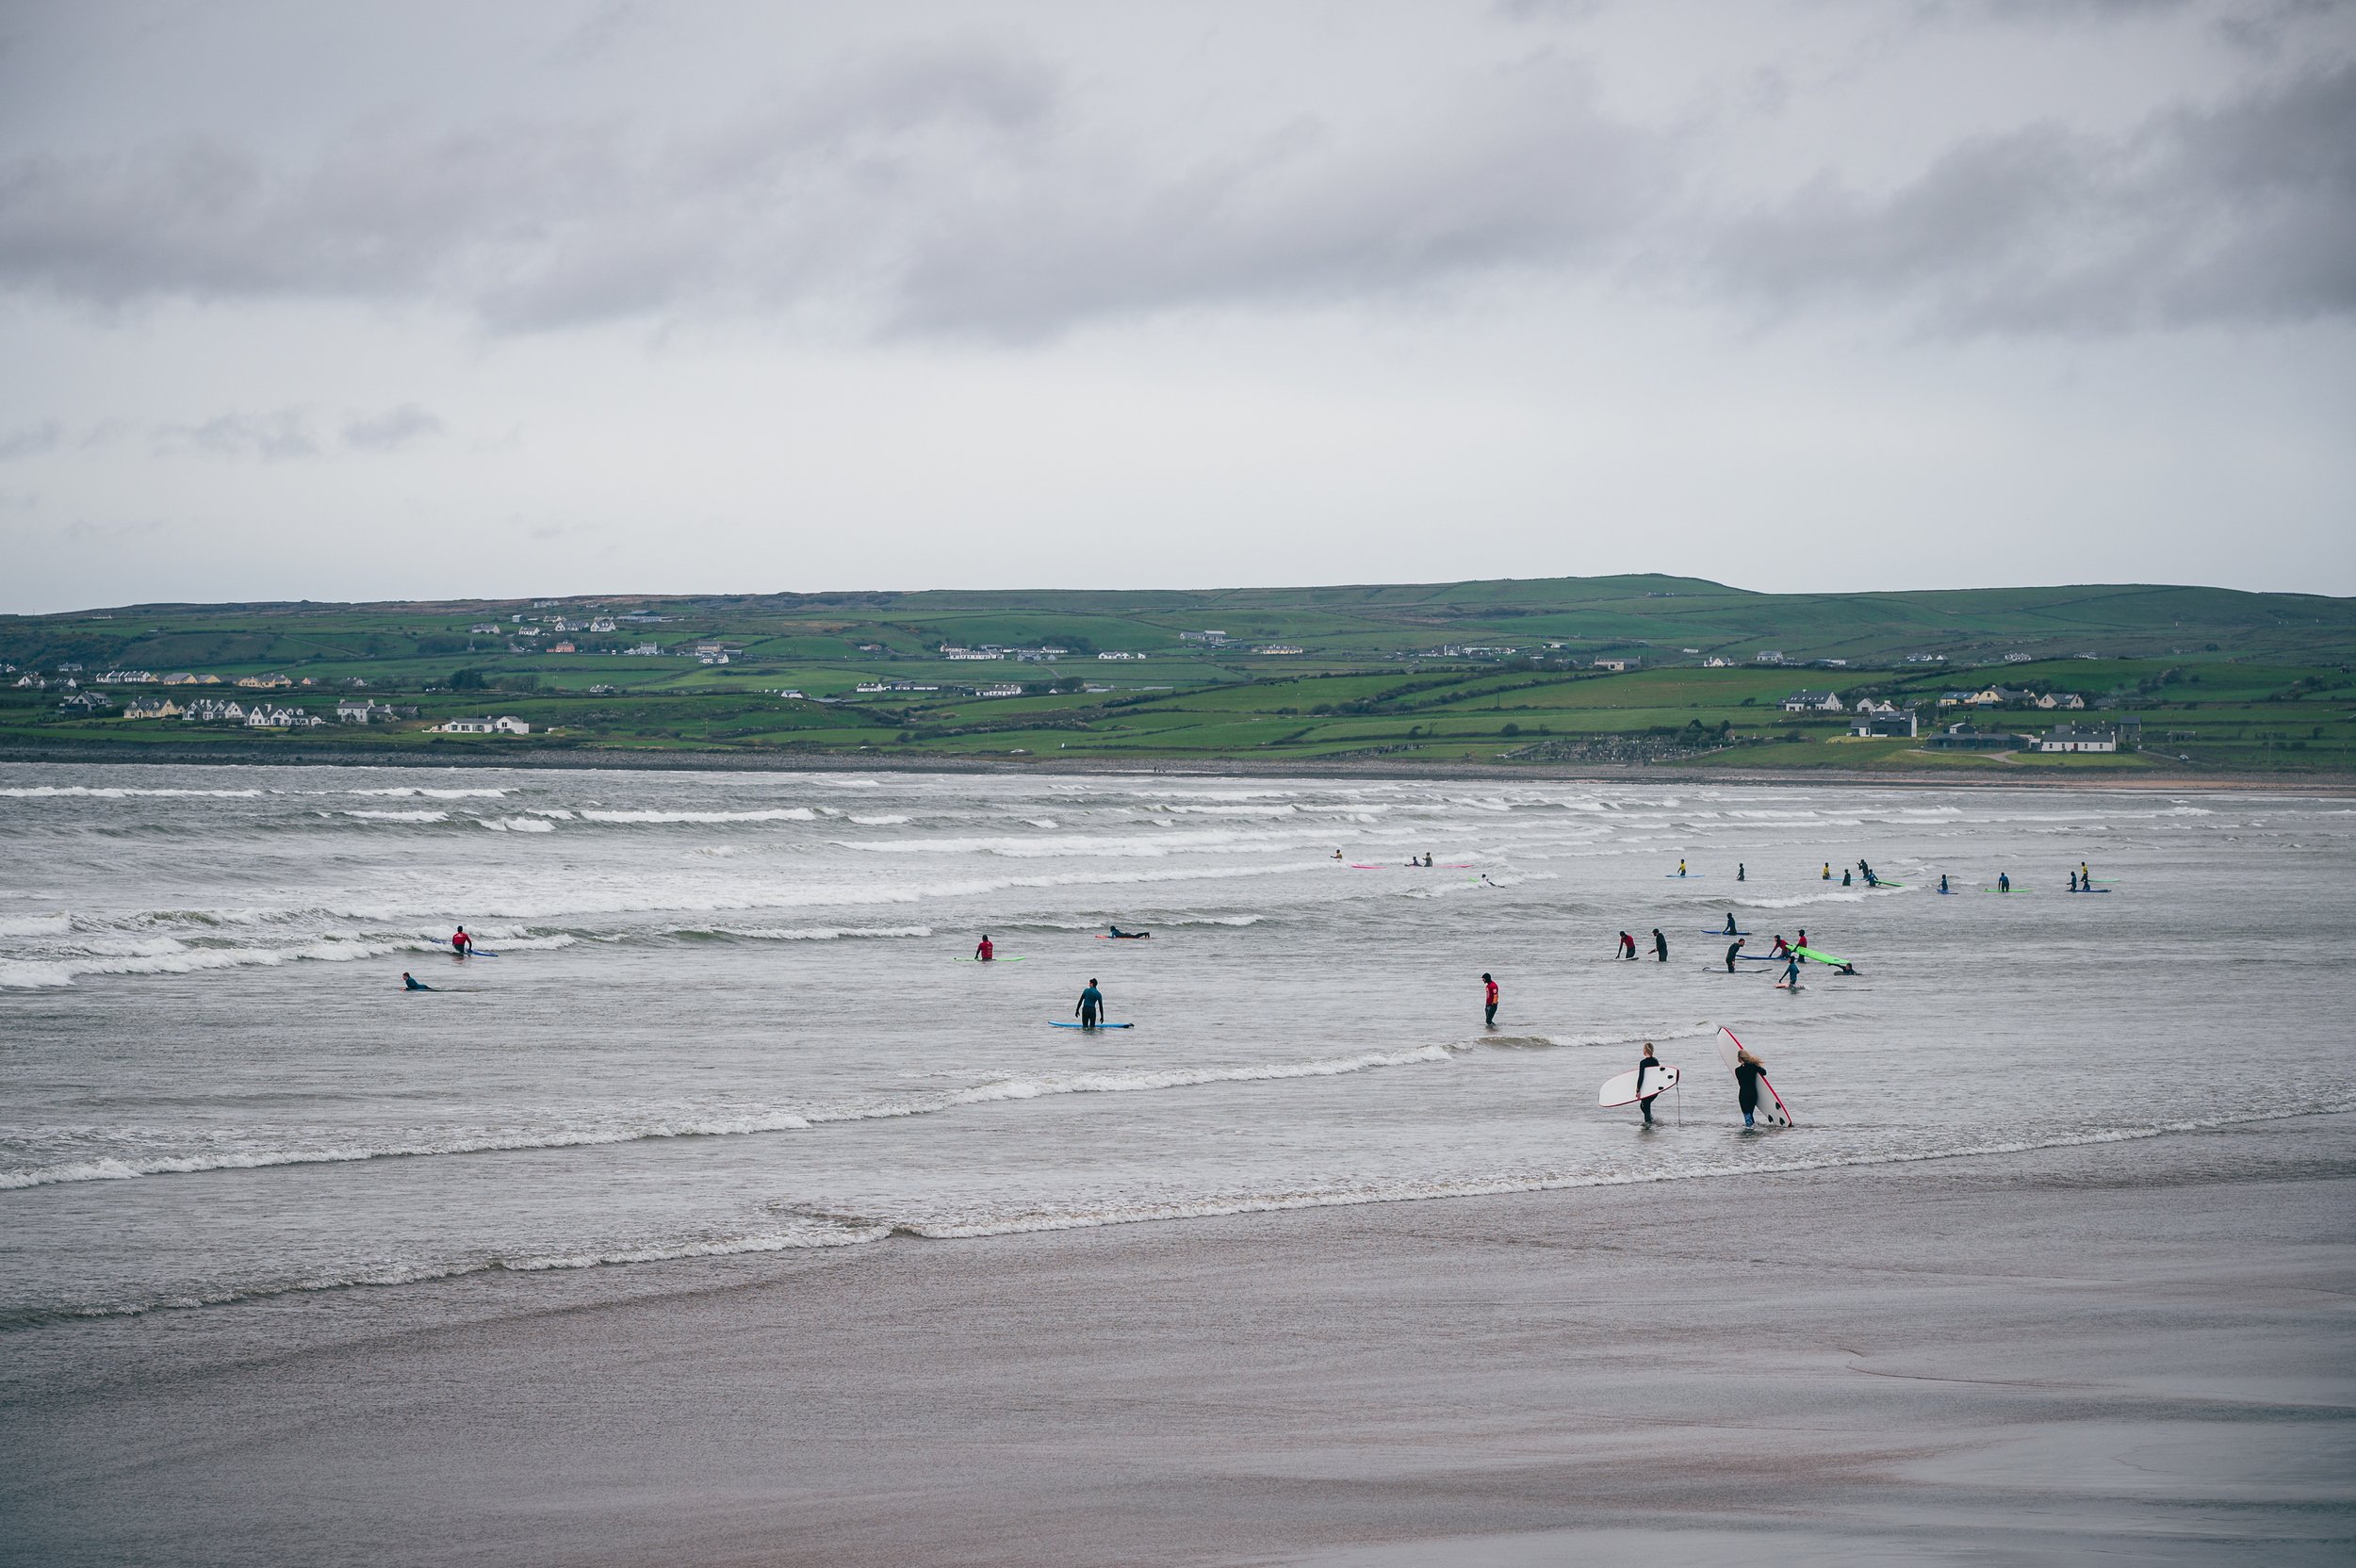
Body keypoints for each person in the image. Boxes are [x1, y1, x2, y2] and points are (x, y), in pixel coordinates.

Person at [1734, 1045, 1767, 1126]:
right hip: (1753, 1094)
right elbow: (1764, 1072)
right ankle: (1752, 1134)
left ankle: (1749, 1134)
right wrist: (1755, 1064)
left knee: (1747, 1115)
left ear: (1739, 1059)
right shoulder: (1753, 1067)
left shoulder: (1737, 1070)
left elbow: (1740, 1083)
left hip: (1743, 1095)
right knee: (1750, 1114)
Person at [1635, 1042, 1665, 1125]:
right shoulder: (1655, 1061)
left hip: (1647, 1088)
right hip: (1654, 1089)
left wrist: (1638, 1090)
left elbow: (1641, 1077)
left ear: (1644, 1051)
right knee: (1643, 1106)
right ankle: (1651, 1121)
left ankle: (1648, 1127)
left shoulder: (1643, 1062)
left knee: (1646, 1106)